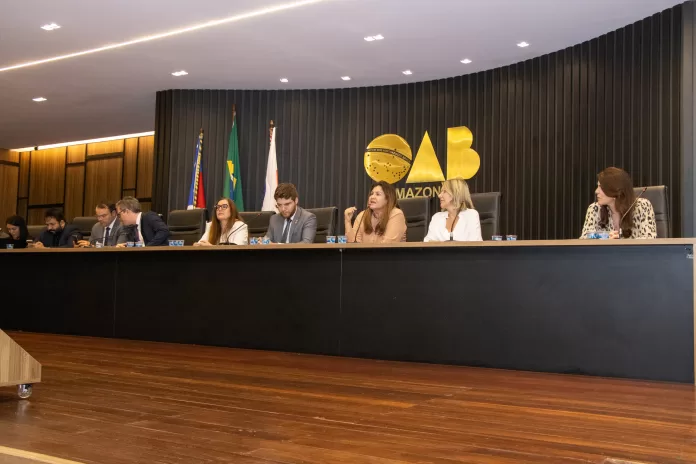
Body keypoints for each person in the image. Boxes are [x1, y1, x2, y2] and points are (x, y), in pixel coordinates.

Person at [580, 167, 657, 239]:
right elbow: (585, 238)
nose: (596, 191)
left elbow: (650, 238)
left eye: (601, 187)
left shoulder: (642, 206)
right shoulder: (594, 208)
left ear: (615, 191)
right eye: (598, 186)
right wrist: (606, 236)